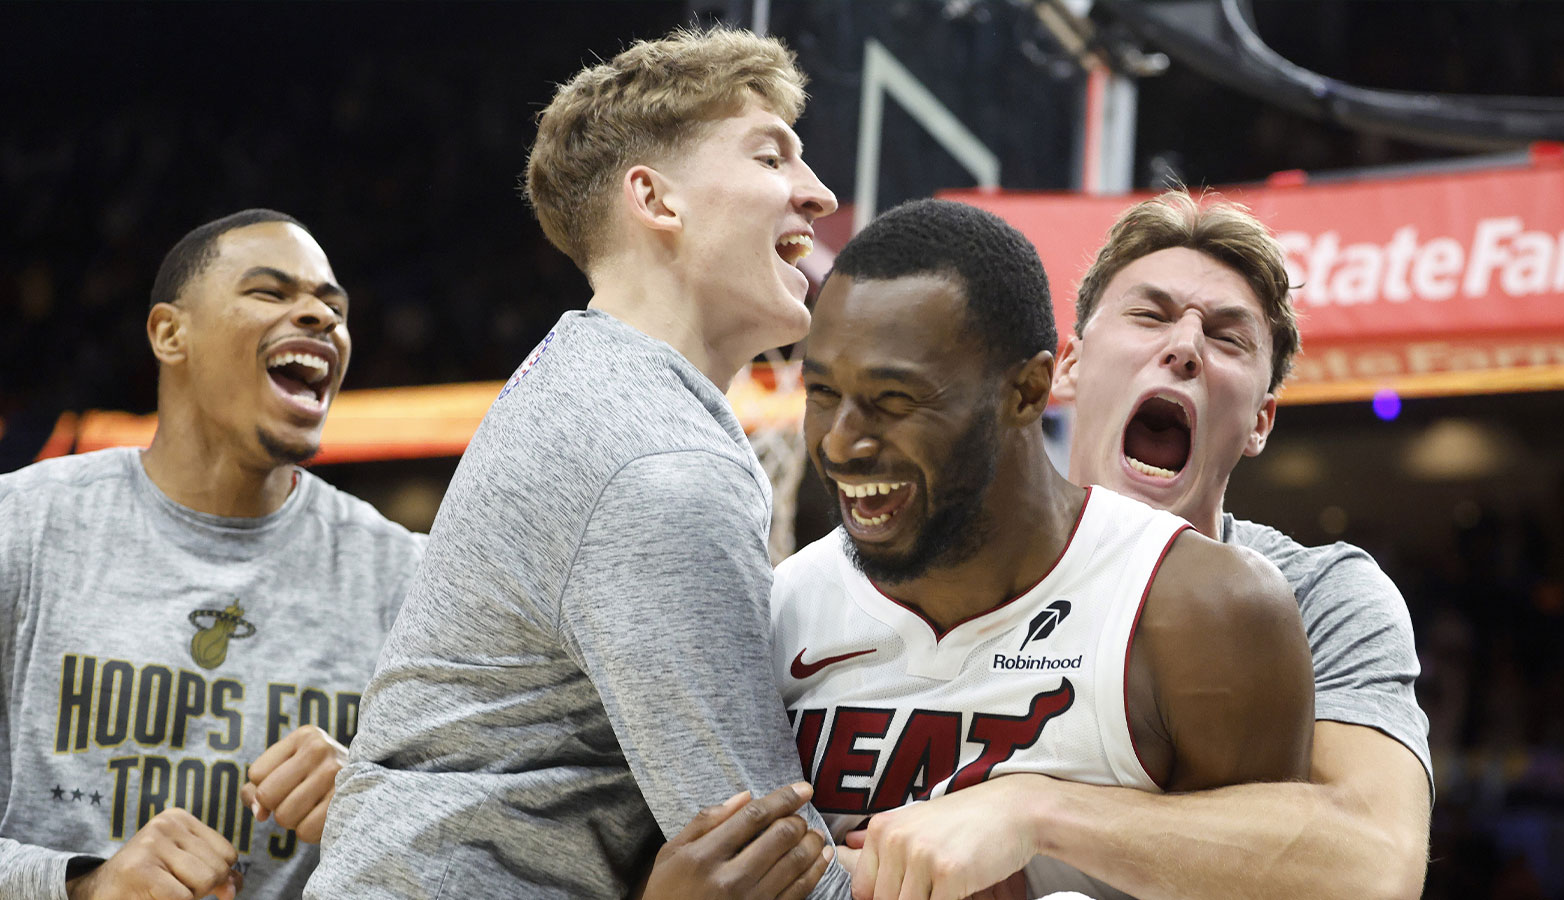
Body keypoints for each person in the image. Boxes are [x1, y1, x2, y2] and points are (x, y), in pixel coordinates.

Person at [305, 27, 851, 900]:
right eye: (771, 157)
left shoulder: (591, 385)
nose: (818, 194)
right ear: (656, 200)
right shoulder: (655, 461)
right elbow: (763, 856)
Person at [833, 191, 1434, 900]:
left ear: (1260, 422)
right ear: (1068, 367)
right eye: (1149, 315)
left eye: (1228, 337)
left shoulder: (1321, 596)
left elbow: (1372, 864)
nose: (1183, 347)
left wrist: (1033, 812)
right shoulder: (891, 568)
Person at [0, 209, 426, 900]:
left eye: (331, 304)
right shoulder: (19, 528)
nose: (319, 316)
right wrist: (79, 887)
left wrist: (377, 805)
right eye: (271, 292)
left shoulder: (405, 579)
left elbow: (475, 838)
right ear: (171, 333)